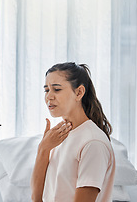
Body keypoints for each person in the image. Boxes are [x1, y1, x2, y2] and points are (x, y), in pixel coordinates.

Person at [31, 62, 115, 202]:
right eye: (46, 90)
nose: (49, 97)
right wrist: (43, 148)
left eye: (56, 89)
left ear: (79, 92)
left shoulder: (93, 142)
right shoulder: (57, 136)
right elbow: (36, 198)